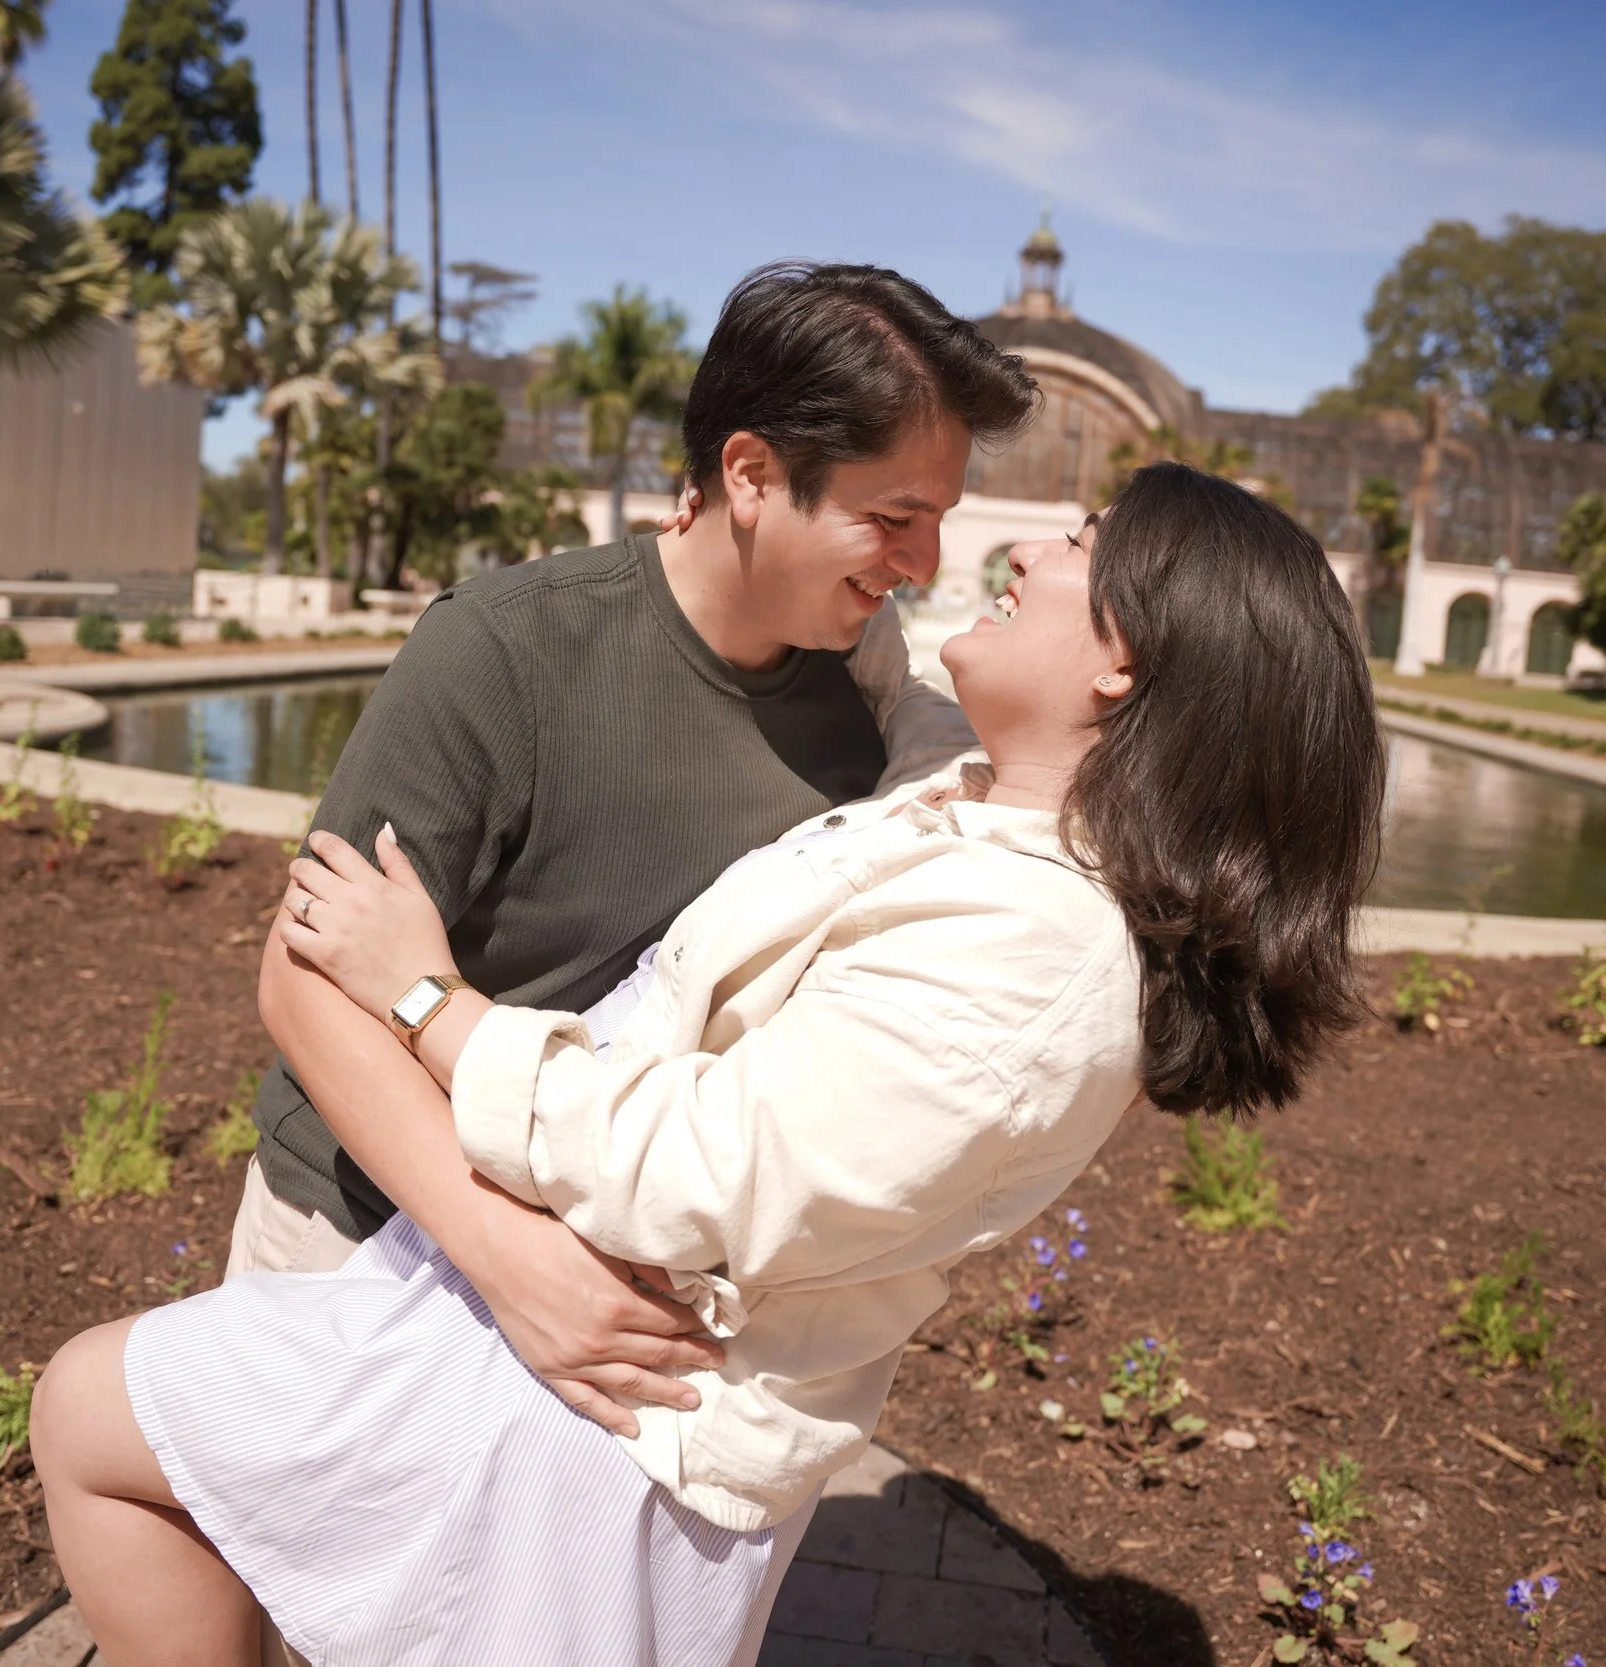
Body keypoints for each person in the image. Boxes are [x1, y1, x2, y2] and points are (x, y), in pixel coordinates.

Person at [31, 462, 1388, 1667]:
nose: (1016, 552)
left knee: (97, 1417)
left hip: (617, 1402)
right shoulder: (981, 800)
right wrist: (744, 528)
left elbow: (692, 1167)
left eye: (1077, 545)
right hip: (587, 1338)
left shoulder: (1041, 956)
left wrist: (427, 995)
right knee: (110, 1424)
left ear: (1125, 662)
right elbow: (898, 688)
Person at [227, 261, 1037, 1440]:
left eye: (940, 522)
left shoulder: (859, 704)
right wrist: (506, 1251)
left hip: (612, 1293)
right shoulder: (505, 650)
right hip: (362, 1232)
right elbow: (302, 981)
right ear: (749, 475)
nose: (922, 563)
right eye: (893, 518)